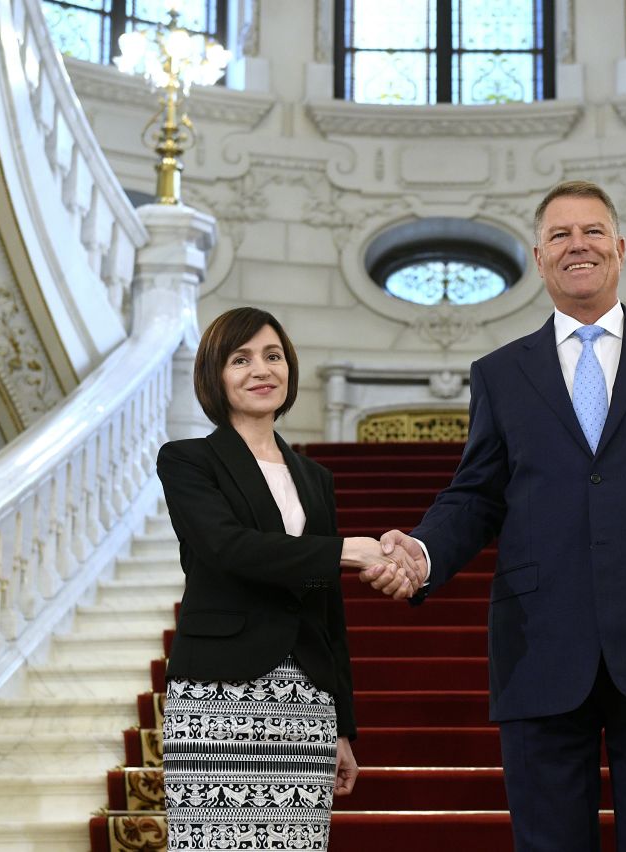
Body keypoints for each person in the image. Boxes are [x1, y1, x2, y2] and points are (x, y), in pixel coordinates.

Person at [365, 181, 626, 851]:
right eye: (559, 235)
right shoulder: (500, 373)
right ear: (539, 257)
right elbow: (476, 494)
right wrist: (425, 552)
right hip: (538, 646)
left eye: (591, 231)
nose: (577, 245)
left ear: (620, 247)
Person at [156, 307, 415, 851]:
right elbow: (226, 548)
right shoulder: (187, 460)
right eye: (240, 359)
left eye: (273, 356)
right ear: (215, 375)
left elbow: (326, 606)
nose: (261, 369)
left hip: (306, 699)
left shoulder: (314, 477)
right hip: (218, 696)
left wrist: (342, 727)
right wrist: (345, 549)